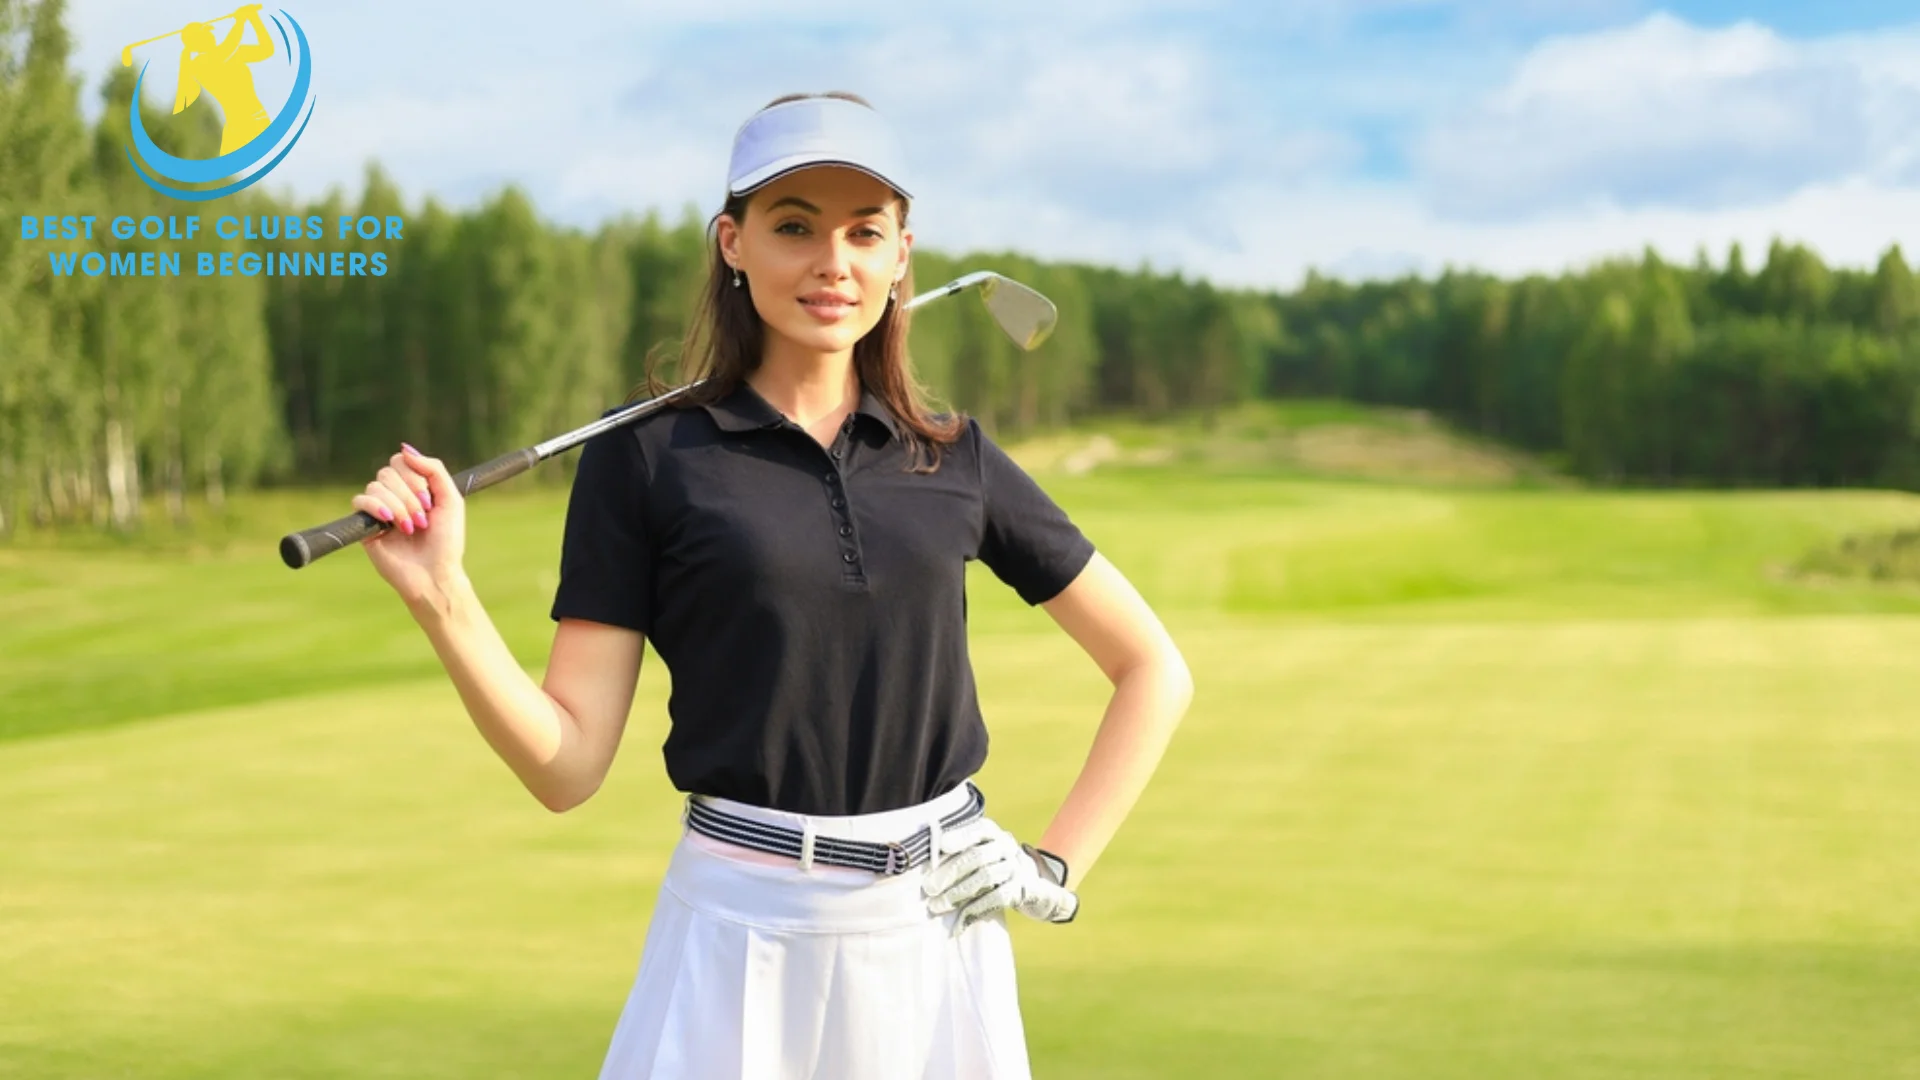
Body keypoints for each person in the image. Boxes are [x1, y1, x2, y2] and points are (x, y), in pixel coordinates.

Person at [348, 91, 1193, 1079]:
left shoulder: (952, 457)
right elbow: (566, 766)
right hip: (736, 933)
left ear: (900, 258)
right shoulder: (648, 456)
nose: (833, 261)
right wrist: (441, 593)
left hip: (935, 936)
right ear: (732, 242)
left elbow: (1152, 669)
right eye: (794, 226)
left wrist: (1051, 867)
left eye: (863, 232)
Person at [172, 4, 274, 154]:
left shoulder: (236, 53)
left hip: (257, 119)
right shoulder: (199, 65)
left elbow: (267, 49)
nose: (211, 35)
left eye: (209, 32)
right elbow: (227, 48)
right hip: (238, 128)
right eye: (205, 34)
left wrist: (254, 19)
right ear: (196, 43)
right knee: (226, 172)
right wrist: (240, 21)